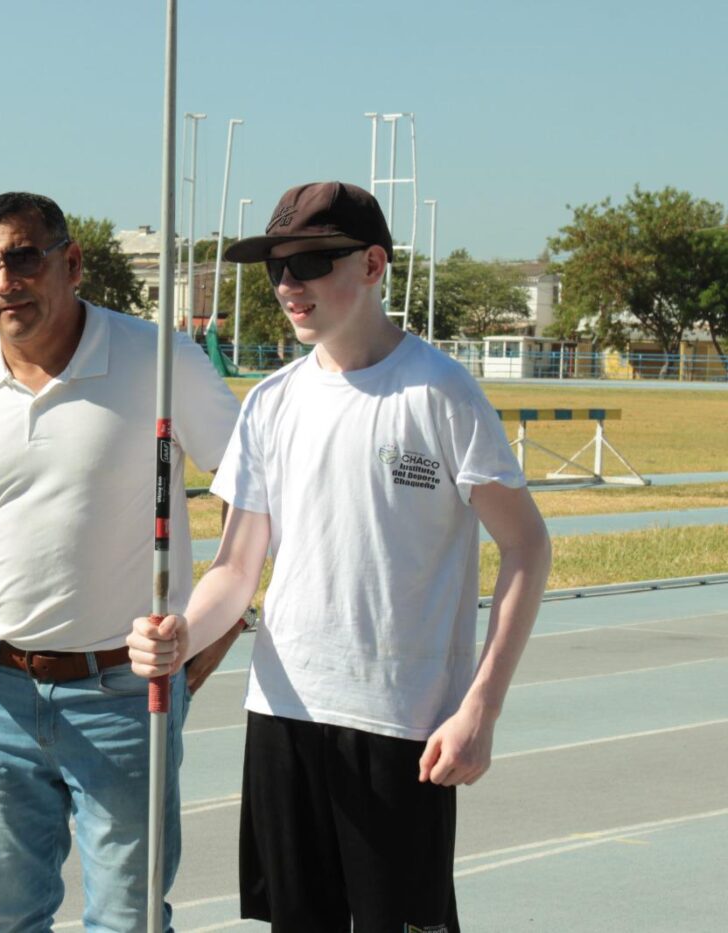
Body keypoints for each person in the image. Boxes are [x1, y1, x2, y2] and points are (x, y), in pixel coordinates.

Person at [128, 182, 552, 933]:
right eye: (276, 268)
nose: (289, 285)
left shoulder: (439, 391)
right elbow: (236, 569)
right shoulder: (271, 400)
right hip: (284, 716)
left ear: (373, 265)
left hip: (402, 724)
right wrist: (183, 632)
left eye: (311, 263)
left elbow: (526, 545)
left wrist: (480, 707)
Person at [0, 192, 241, 931]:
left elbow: (247, 488)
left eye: (23, 257)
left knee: (127, 919)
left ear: (72, 262)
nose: (5, 280)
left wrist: (219, 619)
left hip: (127, 692)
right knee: (5, 917)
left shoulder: (162, 362)